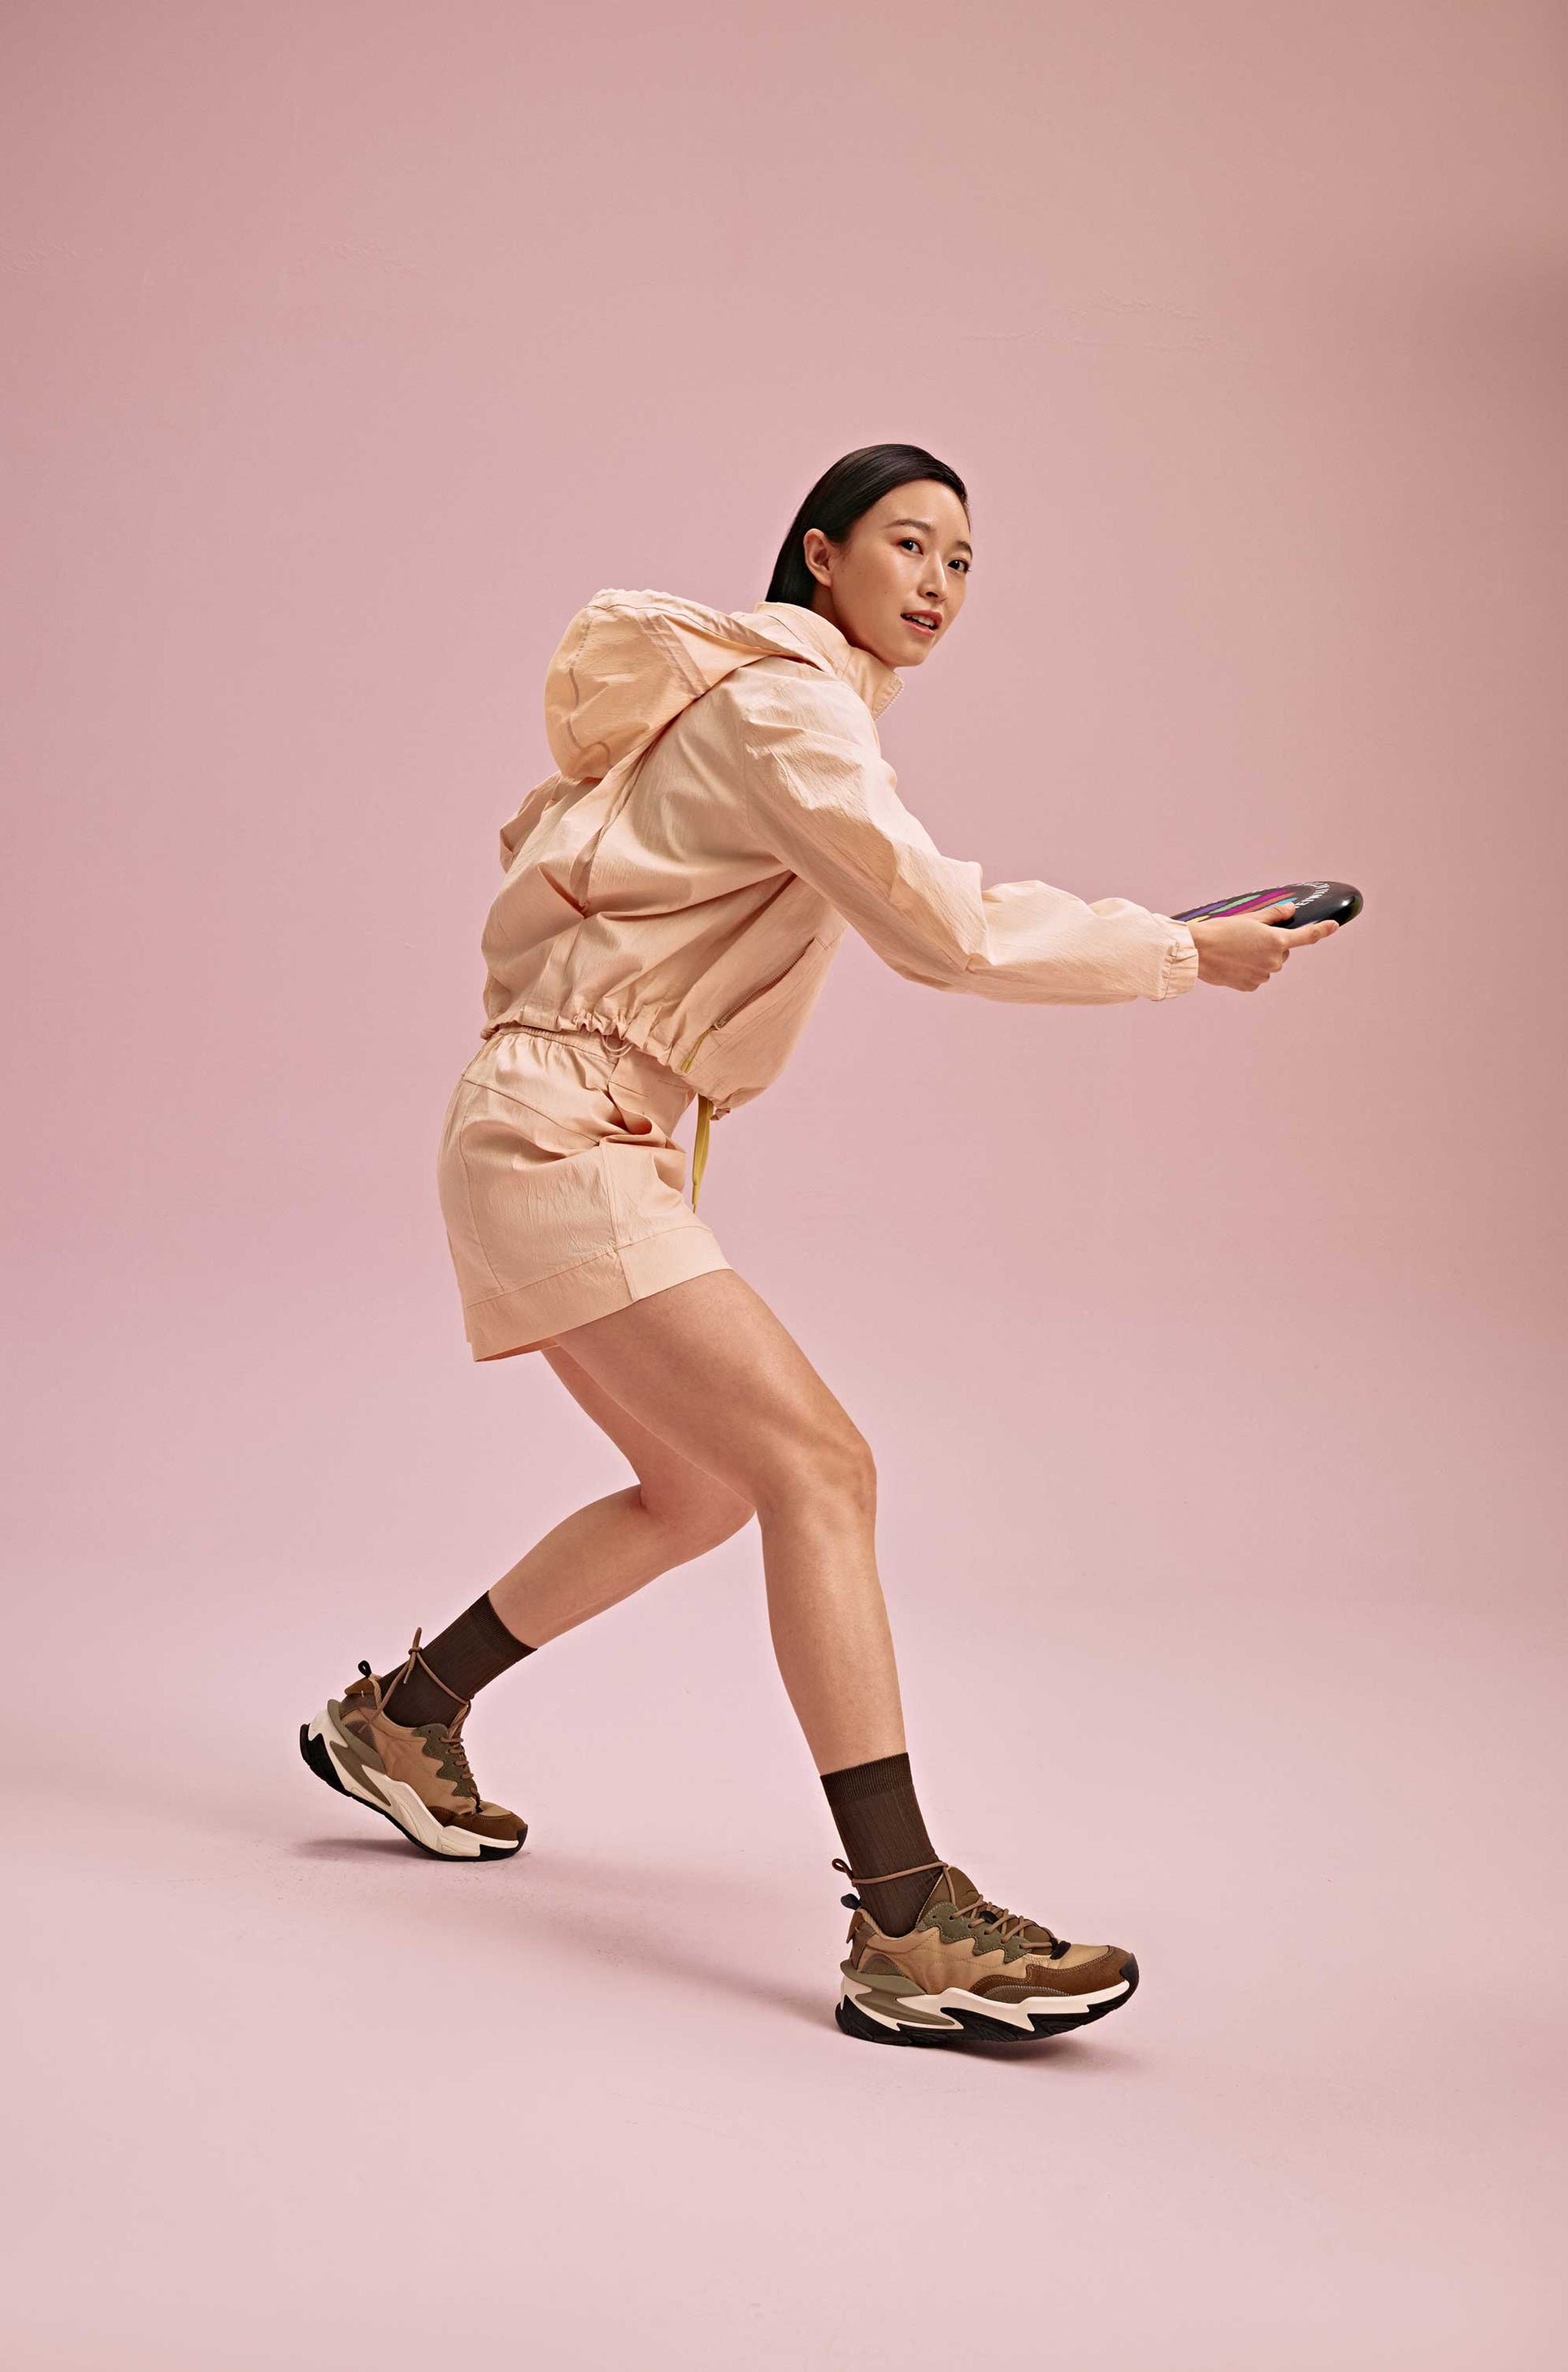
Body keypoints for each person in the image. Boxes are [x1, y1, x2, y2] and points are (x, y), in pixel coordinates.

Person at [300, 443, 1340, 2048]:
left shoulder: (767, 705)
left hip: (562, 1127)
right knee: (823, 1471)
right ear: (819, 553)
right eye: (906, 545)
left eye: (964, 561)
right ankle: (910, 1923)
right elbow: (938, 927)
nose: (935, 583)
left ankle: (407, 1716)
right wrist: (1175, 954)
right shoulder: (788, 706)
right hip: (563, 1132)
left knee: (703, 1488)